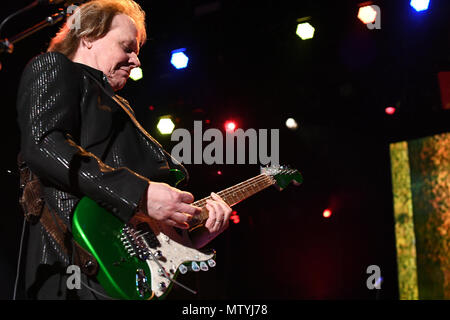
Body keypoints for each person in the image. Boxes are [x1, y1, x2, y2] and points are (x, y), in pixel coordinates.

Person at [16, 0, 232, 300]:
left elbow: (130, 226)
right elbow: (43, 145)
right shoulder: (54, 67)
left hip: (121, 279)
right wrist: (140, 194)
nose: (136, 61)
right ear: (89, 36)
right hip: (72, 271)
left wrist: (187, 238)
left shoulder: (121, 109)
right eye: (126, 47)